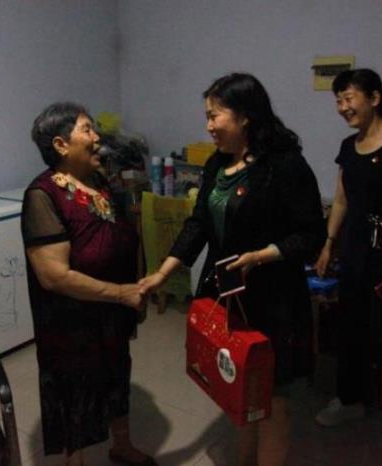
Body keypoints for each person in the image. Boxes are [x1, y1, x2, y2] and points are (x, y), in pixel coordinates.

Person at [139, 72, 326, 466]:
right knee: (238, 386)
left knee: (272, 398)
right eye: (206, 116)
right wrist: (163, 272)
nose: (208, 126)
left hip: (273, 300)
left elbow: (311, 234)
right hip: (227, 296)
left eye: (214, 115)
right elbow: (198, 225)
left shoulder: (284, 165)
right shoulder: (216, 164)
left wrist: (260, 256)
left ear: (245, 116)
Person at [22, 102, 156, 466]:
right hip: (71, 320)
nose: (97, 137)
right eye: (86, 129)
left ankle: (121, 445)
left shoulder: (98, 181)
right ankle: (75, 460)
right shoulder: (42, 196)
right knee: (76, 389)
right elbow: (53, 276)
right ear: (61, 144)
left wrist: (135, 288)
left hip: (111, 312)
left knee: (117, 374)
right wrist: (121, 293)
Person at [313, 69, 382, 442]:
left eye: (349, 98)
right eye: (338, 101)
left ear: (374, 98)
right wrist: (329, 243)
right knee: (350, 325)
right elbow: (341, 200)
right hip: (356, 245)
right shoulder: (349, 147)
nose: (342, 107)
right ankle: (351, 399)